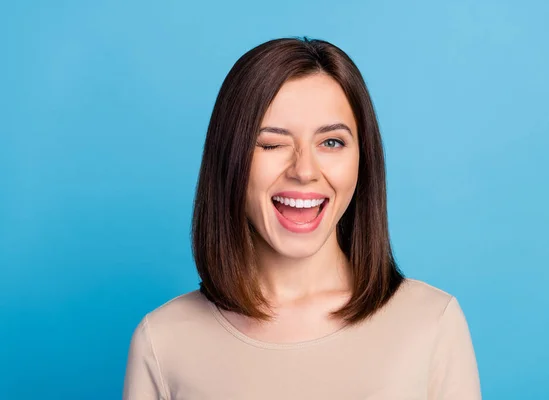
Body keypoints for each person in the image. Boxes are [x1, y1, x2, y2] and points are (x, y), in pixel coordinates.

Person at [123, 37, 481, 399]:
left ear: (363, 159)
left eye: (331, 142)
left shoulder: (431, 324)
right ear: (229, 159)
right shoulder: (163, 341)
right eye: (271, 144)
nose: (304, 170)